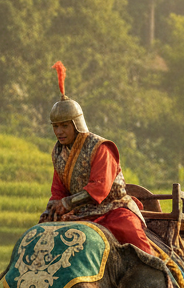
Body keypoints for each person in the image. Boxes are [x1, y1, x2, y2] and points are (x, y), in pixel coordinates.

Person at [40, 62, 152, 254]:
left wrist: (67, 203)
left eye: (65, 126)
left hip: (112, 210)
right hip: (80, 214)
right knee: (42, 239)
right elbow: (58, 189)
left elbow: (99, 187)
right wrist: (53, 206)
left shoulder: (100, 147)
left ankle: (160, 276)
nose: (59, 132)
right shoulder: (58, 153)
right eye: (55, 127)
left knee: (135, 239)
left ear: (76, 124)